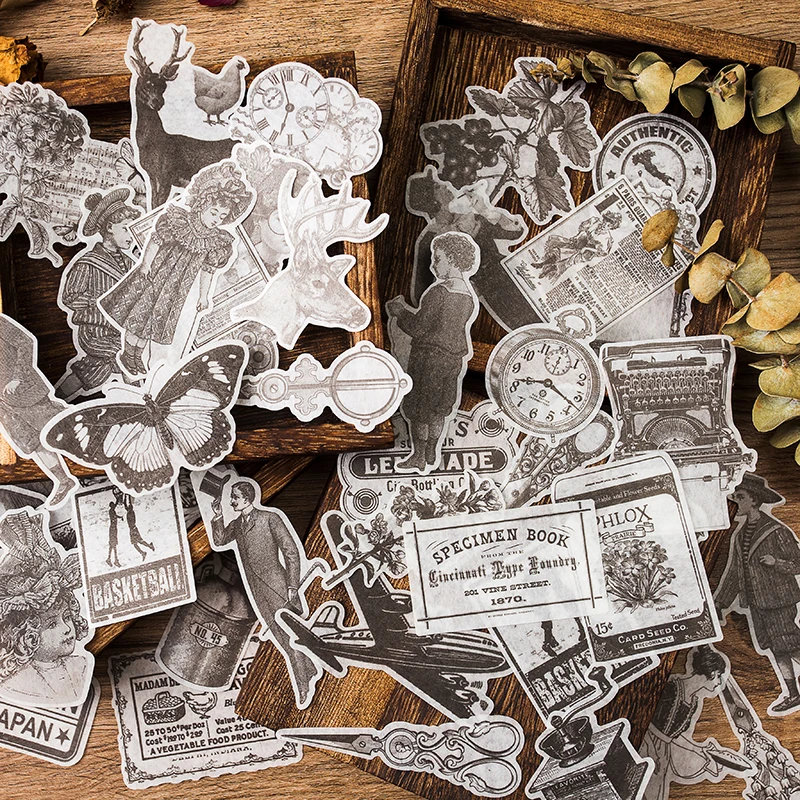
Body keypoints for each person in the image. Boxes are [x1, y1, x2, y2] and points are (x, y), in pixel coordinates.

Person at [99, 161, 253, 375]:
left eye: (222, 216)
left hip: (176, 289)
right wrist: (145, 265)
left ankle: (137, 356)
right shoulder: (178, 220)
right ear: (201, 205)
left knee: (153, 323)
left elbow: (208, 270)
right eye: (213, 212)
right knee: (139, 315)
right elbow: (156, 240)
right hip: (155, 277)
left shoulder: (216, 240)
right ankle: (128, 354)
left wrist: (203, 297)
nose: (216, 220)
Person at [209, 479, 318, 706]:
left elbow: (291, 552)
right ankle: (311, 673)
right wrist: (218, 516)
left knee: (293, 637)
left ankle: (304, 687)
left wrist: (292, 586)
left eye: (235, 497)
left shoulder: (270, 518)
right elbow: (219, 540)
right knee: (281, 638)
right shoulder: (237, 524)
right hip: (257, 592)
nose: (231, 501)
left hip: (279, 588)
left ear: (247, 498)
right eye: (231, 497)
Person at [386, 232, 480, 472]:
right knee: (439, 409)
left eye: (437, 259)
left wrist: (399, 311)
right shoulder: (467, 295)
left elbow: (418, 328)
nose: (433, 265)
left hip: (429, 359)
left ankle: (418, 456)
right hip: (453, 359)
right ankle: (431, 453)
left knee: (420, 410)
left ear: (453, 259)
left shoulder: (439, 292)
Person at [716, 473, 800, 713]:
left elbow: (798, 563)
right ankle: (793, 695)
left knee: (790, 644)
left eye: (740, 497)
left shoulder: (775, 530)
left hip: (778, 600)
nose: (735, 501)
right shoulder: (741, 535)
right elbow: (734, 573)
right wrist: (720, 603)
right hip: (757, 602)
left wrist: (776, 563)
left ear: (754, 500)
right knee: (776, 648)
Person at [0, 510, 91, 706]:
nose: (67, 629)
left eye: (67, 617)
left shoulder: (81, 665)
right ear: (26, 636)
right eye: (51, 624)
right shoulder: (16, 684)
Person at [57, 187, 141, 399]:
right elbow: (70, 298)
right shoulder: (88, 263)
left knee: (93, 369)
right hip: (96, 331)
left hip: (120, 330)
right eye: (126, 229)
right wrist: (100, 302)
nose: (131, 235)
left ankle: (56, 399)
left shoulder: (131, 263)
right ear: (110, 227)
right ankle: (143, 401)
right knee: (127, 358)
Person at [0, 315, 77, 508]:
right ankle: (63, 481)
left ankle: (106, 449)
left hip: (24, 392)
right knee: (31, 442)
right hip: (5, 408)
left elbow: (25, 342)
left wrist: (18, 378)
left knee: (60, 425)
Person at [641, 645, 736, 800]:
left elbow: (675, 737)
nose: (719, 682)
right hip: (645, 745)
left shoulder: (694, 702)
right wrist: (651, 750)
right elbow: (646, 720)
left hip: (663, 752)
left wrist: (700, 749)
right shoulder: (672, 687)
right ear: (712, 673)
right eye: (719, 676)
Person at [123, 497, 154, 562]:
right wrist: (126, 496)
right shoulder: (129, 511)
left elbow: (128, 504)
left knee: (137, 543)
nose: (128, 507)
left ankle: (145, 551)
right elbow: (125, 504)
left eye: (129, 507)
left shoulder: (131, 512)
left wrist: (128, 497)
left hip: (133, 529)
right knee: (138, 542)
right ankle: (148, 548)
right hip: (132, 529)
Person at [106, 499, 121, 568]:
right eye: (113, 505)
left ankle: (110, 559)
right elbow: (115, 516)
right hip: (113, 529)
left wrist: (120, 517)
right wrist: (117, 499)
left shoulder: (112, 511)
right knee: (113, 546)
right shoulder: (111, 511)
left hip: (114, 529)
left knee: (112, 546)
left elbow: (116, 515)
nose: (114, 506)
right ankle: (115, 560)